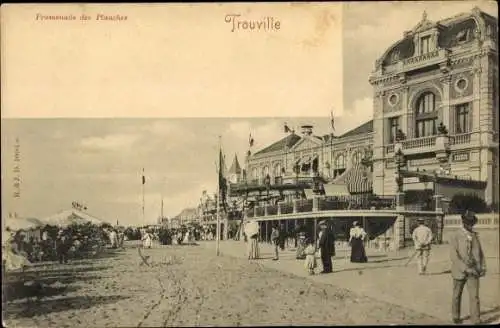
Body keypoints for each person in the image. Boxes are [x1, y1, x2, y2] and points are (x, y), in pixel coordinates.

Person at [450, 210, 486, 325]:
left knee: (474, 296)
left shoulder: (475, 235)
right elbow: (454, 256)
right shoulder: (455, 235)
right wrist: (465, 268)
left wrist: (483, 266)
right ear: (463, 222)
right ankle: (456, 316)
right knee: (457, 295)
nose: (470, 225)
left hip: (474, 270)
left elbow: (480, 252)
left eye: (472, 223)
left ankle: (476, 319)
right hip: (460, 270)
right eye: (468, 223)